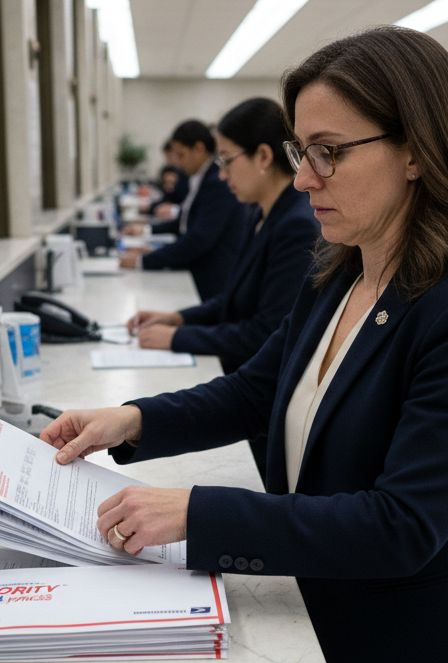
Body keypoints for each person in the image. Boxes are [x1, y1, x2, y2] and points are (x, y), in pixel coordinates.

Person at [40, 26, 448, 663]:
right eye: (303, 153)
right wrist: (132, 420)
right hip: (323, 620)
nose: (304, 179)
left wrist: (196, 512)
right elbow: (255, 391)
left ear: (417, 151)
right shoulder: (337, 274)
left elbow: (403, 524)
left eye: (329, 152)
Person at [126, 97, 318, 477]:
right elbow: (231, 301)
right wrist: (178, 317)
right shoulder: (258, 212)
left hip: (260, 404)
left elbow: (264, 333)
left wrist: (176, 339)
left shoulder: (297, 226)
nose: (222, 174)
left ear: (263, 156)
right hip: (238, 387)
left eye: (227, 160)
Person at [120, 120, 251, 301]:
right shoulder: (200, 178)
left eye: (181, 155)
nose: (178, 163)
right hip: (199, 272)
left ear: (198, 148)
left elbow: (198, 239)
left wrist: (143, 261)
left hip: (213, 281)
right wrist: (150, 243)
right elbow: (183, 221)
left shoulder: (215, 182)